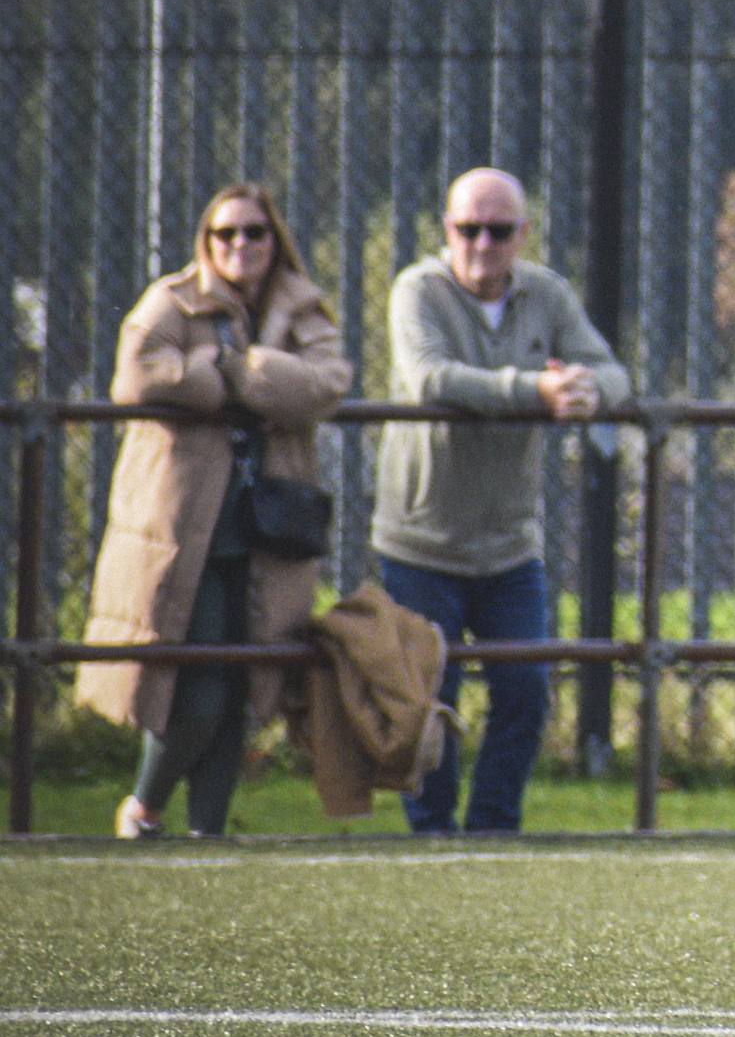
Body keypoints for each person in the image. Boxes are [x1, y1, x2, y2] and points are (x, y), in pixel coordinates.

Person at [81, 185, 351, 837]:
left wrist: (228, 368)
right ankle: (144, 808)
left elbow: (327, 384)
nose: (240, 246)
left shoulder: (301, 305)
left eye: (254, 232)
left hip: (266, 532)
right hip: (184, 532)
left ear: (274, 238)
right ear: (205, 242)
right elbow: (140, 375)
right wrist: (254, 388)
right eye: (224, 234)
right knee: (198, 692)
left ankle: (207, 833)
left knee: (243, 690)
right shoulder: (172, 299)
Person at [373, 168, 630, 835]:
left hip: (511, 543)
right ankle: (431, 833)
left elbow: (613, 372)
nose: (482, 244)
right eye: (468, 229)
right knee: (433, 696)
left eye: (499, 230)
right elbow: (432, 377)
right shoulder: (416, 290)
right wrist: (534, 393)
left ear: (523, 234)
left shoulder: (546, 294)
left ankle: (494, 828)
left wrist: (583, 389)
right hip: (421, 540)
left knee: (526, 690)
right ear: (447, 229)